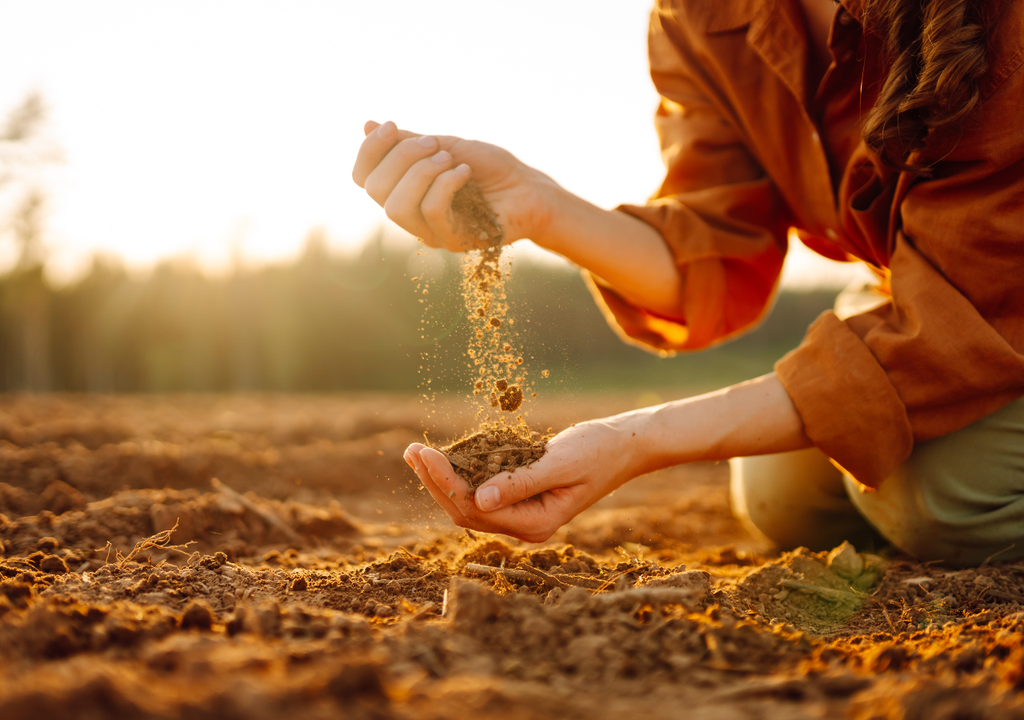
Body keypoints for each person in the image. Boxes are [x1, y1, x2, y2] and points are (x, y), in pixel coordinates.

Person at [352, 0, 1024, 566]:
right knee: (780, 491)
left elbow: (971, 307)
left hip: (996, 298)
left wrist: (638, 439)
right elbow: (713, 254)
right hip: (926, 287)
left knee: (947, 497)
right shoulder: (703, 15)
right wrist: (542, 206)